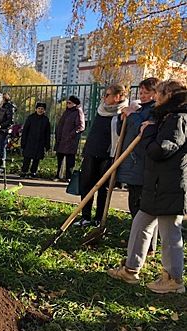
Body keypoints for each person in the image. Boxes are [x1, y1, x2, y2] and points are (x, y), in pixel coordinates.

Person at [107, 79, 187, 294]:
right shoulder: (168, 117)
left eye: (159, 94)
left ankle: (173, 279)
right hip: (157, 184)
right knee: (141, 223)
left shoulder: (178, 119)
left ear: (168, 95)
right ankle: (130, 269)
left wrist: (149, 131)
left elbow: (161, 150)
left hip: (170, 186)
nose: (156, 98)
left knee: (170, 232)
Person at [116, 77, 160, 255]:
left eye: (146, 93)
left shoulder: (155, 112)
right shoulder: (141, 109)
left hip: (141, 164)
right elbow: (123, 132)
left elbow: (142, 133)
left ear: (156, 94)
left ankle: (146, 244)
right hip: (132, 164)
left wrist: (132, 115)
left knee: (141, 207)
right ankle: (139, 240)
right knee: (134, 203)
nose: (142, 96)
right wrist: (123, 118)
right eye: (140, 92)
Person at [73, 84, 129, 227]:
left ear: (117, 97)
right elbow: (93, 131)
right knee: (86, 185)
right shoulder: (101, 110)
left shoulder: (124, 113)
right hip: (92, 152)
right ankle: (85, 217)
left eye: (107, 95)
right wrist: (86, 150)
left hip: (108, 155)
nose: (104, 98)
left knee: (103, 188)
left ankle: (99, 218)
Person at [54, 95, 85, 181]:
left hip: (70, 140)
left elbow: (81, 126)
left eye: (69, 103)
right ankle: (58, 175)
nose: (68, 104)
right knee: (60, 157)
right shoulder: (67, 112)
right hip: (62, 139)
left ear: (74, 104)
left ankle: (69, 177)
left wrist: (71, 135)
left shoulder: (78, 112)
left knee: (70, 159)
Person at [20, 102, 51, 178]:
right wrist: (23, 142)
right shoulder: (31, 118)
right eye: (39, 109)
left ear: (44, 110)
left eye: (42, 109)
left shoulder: (46, 120)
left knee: (36, 159)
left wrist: (47, 144)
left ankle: (33, 172)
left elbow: (48, 133)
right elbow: (25, 131)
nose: (40, 110)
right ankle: (24, 171)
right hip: (30, 141)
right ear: (36, 109)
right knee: (27, 157)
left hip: (40, 142)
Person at [0, 92, 16, 173]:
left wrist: (0, 125)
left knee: (2, 148)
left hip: (4, 130)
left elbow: (10, 120)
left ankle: (2, 166)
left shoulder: (9, 107)